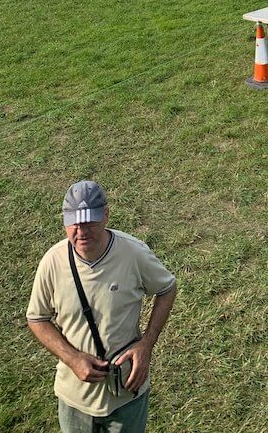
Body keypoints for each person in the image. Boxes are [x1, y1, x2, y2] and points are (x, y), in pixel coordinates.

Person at [27, 180, 177, 433]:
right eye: (75, 223)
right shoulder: (53, 262)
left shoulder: (133, 253)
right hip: (75, 398)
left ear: (106, 215)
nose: (81, 231)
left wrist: (146, 345)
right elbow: (37, 318)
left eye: (90, 222)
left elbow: (167, 289)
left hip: (127, 396)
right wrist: (72, 358)